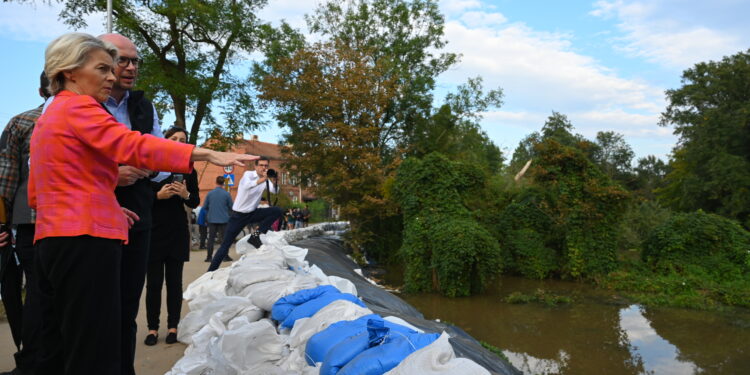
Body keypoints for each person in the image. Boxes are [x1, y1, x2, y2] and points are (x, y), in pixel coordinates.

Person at [29, 32, 256, 375]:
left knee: (63, 342)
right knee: (95, 347)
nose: (112, 75)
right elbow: (132, 145)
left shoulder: (52, 114)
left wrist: (102, 203)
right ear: (70, 71)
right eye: (103, 68)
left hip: (54, 238)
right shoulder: (79, 106)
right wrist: (204, 152)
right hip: (86, 242)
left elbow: (40, 189)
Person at [96, 32, 174, 375]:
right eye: (121, 60)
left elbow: (158, 158)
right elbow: (48, 167)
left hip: (137, 216)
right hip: (91, 220)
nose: (129, 68)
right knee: (94, 311)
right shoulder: (74, 105)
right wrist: (111, 174)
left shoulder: (144, 106)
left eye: (135, 61)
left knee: (127, 308)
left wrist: (148, 166)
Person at [0, 73, 50, 375]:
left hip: (32, 222)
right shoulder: (22, 122)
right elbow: (4, 178)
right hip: (41, 222)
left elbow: (5, 179)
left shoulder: (21, 121)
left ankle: (33, 363)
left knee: (37, 292)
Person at [144, 127, 199, 346]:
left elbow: (194, 201)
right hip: (153, 232)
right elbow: (138, 198)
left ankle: (173, 326)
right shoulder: (150, 166)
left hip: (177, 231)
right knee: (154, 284)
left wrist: (185, 194)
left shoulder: (188, 169)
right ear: (164, 140)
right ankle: (152, 328)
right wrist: (157, 195)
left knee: (175, 284)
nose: (178, 142)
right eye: (173, 138)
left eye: (182, 140)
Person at [207, 157, 283, 272]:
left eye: (266, 166)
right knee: (225, 245)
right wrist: (263, 179)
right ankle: (210, 272)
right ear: (256, 166)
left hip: (252, 212)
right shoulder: (248, 175)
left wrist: (275, 180)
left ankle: (255, 236)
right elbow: (248, 185)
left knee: (277, 211)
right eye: (261, 165)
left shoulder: (266, 179)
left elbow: (275, 191)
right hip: (238, 215)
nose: (264, 168)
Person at [203, 176, 233, 262]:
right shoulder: (226, 194)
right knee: (224, 239)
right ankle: (225, 256)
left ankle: (209, 257)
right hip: (224, 220)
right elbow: (231, 207)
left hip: (212, 219)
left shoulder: (210, 194)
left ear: (216, 182)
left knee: (211, 239)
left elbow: (205, 207)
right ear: (224, 183)